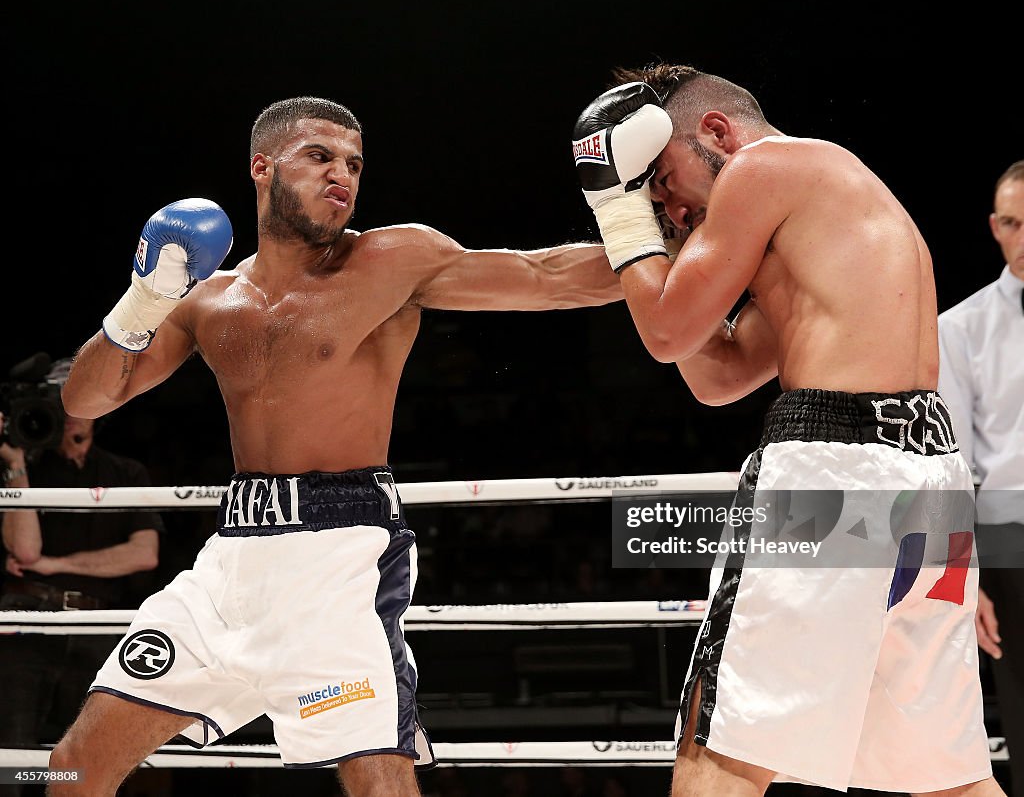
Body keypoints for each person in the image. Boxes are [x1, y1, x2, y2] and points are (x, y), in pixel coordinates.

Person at [46, 96, 622, 797]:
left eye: (353, 163)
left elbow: (548, 278)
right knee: (73, 768)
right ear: (262, 167)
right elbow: (87, 398)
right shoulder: (207, 298)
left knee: (378, 783)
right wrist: (143, 296)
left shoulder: (390, 260)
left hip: (341, 554)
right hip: (231, 561)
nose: (341, 175)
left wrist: (687, 246)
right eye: (319, 157)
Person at [571, 64, 1003, 795]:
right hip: (933, 488)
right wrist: (666, 258)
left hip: (833, 471)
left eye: (665, 182)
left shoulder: (762, 166)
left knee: (723, 742)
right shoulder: (834, 204)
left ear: (714, 131)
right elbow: (720, 372)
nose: (670, 211)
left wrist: (615, 210)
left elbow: (669, 330)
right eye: (652, 201)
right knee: (945, 777)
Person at [0, 360, 164, 794]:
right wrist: (15, 463)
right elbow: (26, 550)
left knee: (95, 750)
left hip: (98, 625)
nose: (70, 408)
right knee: (13, 751)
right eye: (59, 398)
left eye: (78, 397)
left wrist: (55, 565)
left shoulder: (126, 473)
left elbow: (144, 554)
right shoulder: (25, 468)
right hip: (28, 617)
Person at [938, 160, 1024, 796]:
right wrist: (964, 581)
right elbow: (952, 464)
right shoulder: (961, 328)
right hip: (1010, 543)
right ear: (995, 228)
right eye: (1014, 223)